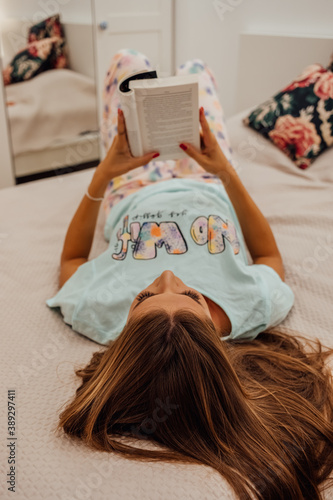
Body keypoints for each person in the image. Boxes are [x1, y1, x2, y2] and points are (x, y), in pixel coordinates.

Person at [46, 49, 333, 500]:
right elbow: (268, 255)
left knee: (127, 61)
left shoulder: (99, 314)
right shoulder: (250, 307)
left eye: (143, 298)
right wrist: (223, 170)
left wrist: (104, 173)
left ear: (126, 336)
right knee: (199, 69)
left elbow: (70, 263)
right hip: (208, 179)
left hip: (130, 184)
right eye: (191, 294)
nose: (166, 275)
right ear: (213, 341)